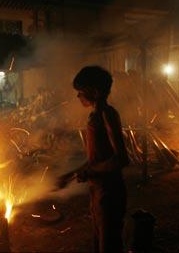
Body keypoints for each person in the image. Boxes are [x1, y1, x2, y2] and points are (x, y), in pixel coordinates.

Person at [56, 66, 129, 253]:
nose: (78, 96)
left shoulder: (107, 114)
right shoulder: (94, 116)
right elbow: (97, 159)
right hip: (97, 190)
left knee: (109, 245)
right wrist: (70, 175)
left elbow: (121, 159)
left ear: (95, 92)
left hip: (109, 192)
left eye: (81, 92)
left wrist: (90, 171)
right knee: (99, 241)